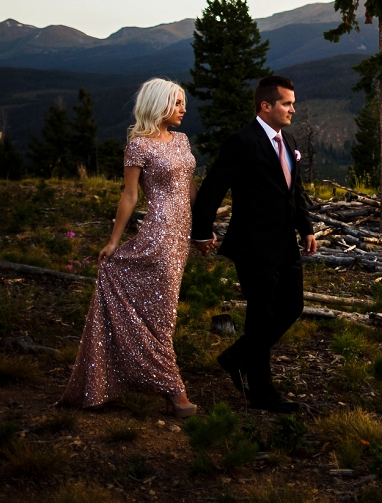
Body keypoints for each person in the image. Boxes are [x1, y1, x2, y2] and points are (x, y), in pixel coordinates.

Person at [62, 78, 198, 416]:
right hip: (159, 234)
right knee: (163, 315)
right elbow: (130, 195)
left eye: (183, 103)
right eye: (177, 103)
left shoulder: (181, 141)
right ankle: (174, 391)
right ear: (159, 105)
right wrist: (113, 242)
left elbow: (190, 188)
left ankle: (141, 376)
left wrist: (201, 231)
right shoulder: (139, 145)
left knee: (165, 311)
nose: (184, 109)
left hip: (182, 236)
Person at [190, 74, 315, 413]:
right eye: (287, 103)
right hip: (253, 244)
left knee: (292, 306)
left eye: (292, 103)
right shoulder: (242, 141)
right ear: (266, 106)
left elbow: (295, 191)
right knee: (261, 316)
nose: (293, 109)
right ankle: (262, 392)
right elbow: (214, 187)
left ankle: (237, 356)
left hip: (286, 243)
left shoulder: (286, 140)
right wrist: (201, 231)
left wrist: (306, 228)